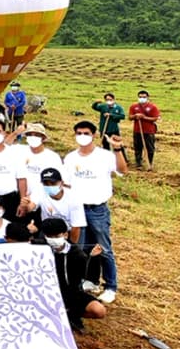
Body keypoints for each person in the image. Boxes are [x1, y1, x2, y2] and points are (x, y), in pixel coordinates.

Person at [64, 121, 126, 304]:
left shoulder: (105, 156)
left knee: (104, 248)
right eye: (79, 133)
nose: (82, 136)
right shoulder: (70, 158)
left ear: (93, 135)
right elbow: (66, 183)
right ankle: (90, 280)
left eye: (86, 133)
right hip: (77, 209)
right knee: (81, 248)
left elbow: (123, 170)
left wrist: (118, 149)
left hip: (97, 209)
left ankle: (110, 286)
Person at [41, 218, 107, 332]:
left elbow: (89, 278)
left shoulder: (77, 254)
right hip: (47, 293)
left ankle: (70, 315)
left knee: (99, 310)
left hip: (71, 293)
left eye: (56, 236)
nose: (53, 240)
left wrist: (94, 258)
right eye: (49, 236)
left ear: (65, 235)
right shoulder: (40, 250)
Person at [24, 167, 86, 243]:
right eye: (46, 184)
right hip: (48, 230)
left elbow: (76, 227)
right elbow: (31, 206)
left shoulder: (74, 198)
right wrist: (25, 205)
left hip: (68, 232)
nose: (49, 186)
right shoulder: (40, 191)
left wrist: (72, 248)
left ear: (62, 183)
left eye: (53, 183)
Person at [21, 123, 63, 198]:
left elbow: (58, 181)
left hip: (44, 199)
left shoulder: (52, 157)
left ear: (43, 138)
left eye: (37, 135)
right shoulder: (20, 151)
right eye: (30, 135)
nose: (33, 137)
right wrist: (15, 133)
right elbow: (4, 146)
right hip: (22, 197)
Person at [129, 90, 159, 170]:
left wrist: (143, 117)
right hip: (137, 130)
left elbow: (155, 118)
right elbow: (130, 117)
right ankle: (138, 163)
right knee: (138, 147)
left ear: (147, 97)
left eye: (144, 97)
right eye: (140, 97)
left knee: (150, 148)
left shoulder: (153, 107)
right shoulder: (134, 106)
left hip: (149, 131)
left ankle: (150, 163)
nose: (142, 98)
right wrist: (135, 116)